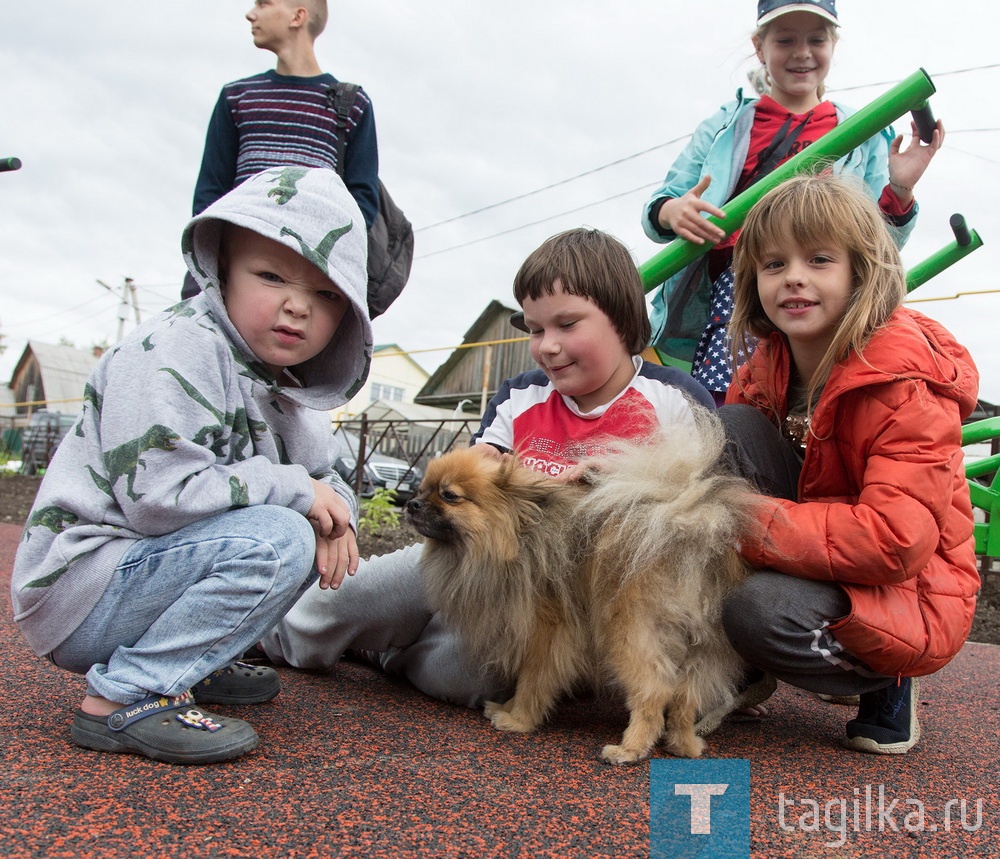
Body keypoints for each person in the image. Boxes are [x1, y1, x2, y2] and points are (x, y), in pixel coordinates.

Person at [258, 228, 717, 706]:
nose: (548, 346)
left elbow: (700, 513)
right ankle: (263, 638)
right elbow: (474, 474)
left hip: (576, 604)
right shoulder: (522, 395)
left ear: (622, 320)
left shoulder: (675, 401)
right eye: (537, 330)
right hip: (475, 568)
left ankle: (380, 650)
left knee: (470, 679)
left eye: (567, 325)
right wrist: (480, 465)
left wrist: (611, 480)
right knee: (353, 593)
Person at [11, 166, 374, 764]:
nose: (296, 306)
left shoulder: (292, 387)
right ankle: (127, 696)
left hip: (144, 577)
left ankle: (190, 664)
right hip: (83, 586)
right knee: (282, 533)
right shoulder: (173, 350)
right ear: (221, 269)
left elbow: (326, 478)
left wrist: (340, 520)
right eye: (270, 275)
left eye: (326, 294)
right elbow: (157, 500)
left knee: (305, 525)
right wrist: (297, 495)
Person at [716, 173, 980, 754]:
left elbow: (894, 541)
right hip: (818, 542)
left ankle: (886, 679)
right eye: (774, 263)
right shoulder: (766, 366)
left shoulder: (905, 387)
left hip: (911, 588)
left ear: (861, 272)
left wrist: (738, 522)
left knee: (756, 610)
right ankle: (748, 667)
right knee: (729, 429)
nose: (794, 278)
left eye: (818, 259)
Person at [641, 0, 944, 404]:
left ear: (833, 44)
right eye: (785, 39)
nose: (802, 52)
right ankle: (731, 438)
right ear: (759, 46)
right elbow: (665, 202)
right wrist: (673, 212)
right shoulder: (729, 125)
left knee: (822, 389)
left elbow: (876, 239)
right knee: (732, 393)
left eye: (816, 39)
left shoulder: (862, 130)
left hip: (824, 275)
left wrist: (901, 190)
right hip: (746, 276)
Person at [185, 0, 379, 298]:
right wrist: (223, 263)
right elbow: (210, 195)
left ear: (297, 16)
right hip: (231, 277)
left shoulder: (351, 105)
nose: (251, 13)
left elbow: (361, 204)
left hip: (307, 282)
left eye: (263, 3)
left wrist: (315, 272)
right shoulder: (237, 97)